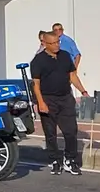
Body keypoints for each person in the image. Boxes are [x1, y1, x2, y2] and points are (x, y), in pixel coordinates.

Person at [31, 30, 89, 175]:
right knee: (50, 133)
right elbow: (35, 84)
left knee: (70, 132)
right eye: (53, 43)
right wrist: (41, 102)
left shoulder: (64, 56)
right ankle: (55, 160)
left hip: (65, 98)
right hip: (47, 99)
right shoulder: (37, 61)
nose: (57, 45)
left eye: (58, 42)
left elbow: (72, 76)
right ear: (44, 44)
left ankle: (70, 160)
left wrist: (83, 91)